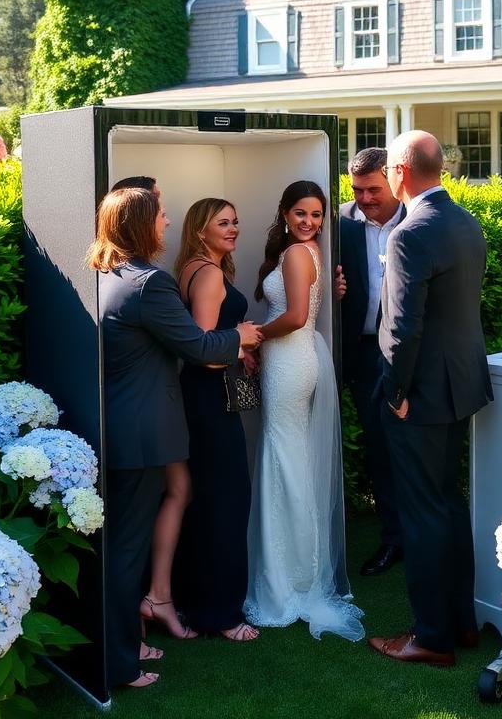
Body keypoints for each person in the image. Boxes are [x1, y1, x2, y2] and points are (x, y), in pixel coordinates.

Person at [87, 187, 262, 689]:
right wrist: (244, 337)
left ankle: (128, 643)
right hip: (143, 434)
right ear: (142, 225)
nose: (166, 223)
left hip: (121, 425)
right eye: (161, 217)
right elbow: (199, 345)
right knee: (125, 554)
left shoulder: (109, 274)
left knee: (123, 548)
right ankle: (120, 665)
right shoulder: (148, 284)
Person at [369, 131, 492, 669]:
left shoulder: (409, 233)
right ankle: (460, 624)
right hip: (459, 386)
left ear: (399, 169)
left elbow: (403, 326)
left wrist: (396, 392)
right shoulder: (466, 222)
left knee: (423, 514)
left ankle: (432, 637)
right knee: (446, 504)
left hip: (418, 395)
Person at [245, 180, 364, 641]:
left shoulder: (299, 252)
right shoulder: (303, 250)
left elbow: (295, 316)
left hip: (291, 360)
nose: (309, 222)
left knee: (283, 460)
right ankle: (298, 572)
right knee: (290, 460)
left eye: (316, 215)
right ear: (285, 212)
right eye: (301, 214)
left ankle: (289, 582)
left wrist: (251, 335)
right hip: (293, 359)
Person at [174, 198, 260, 642]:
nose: (233, 228)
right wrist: (240, 339)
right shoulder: (207, 273)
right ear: (200, 229)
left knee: (207, 500)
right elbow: (204, 351)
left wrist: (238, 347)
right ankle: (222, 614)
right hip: (208, 397)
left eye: (235, 220)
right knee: (226, 502)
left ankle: (197, 601)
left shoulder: (193, 267)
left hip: (201, 397)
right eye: (222, 223)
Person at [336, 148, 404, 576]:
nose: (365, 198)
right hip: (359, 354)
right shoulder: (340, 221)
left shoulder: (417, 219)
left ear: (393, 180)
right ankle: (392, 539)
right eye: (358, 190)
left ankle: (419, 535)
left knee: (409, 447)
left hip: (405, 353)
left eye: (373, 189)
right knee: (378, 448)